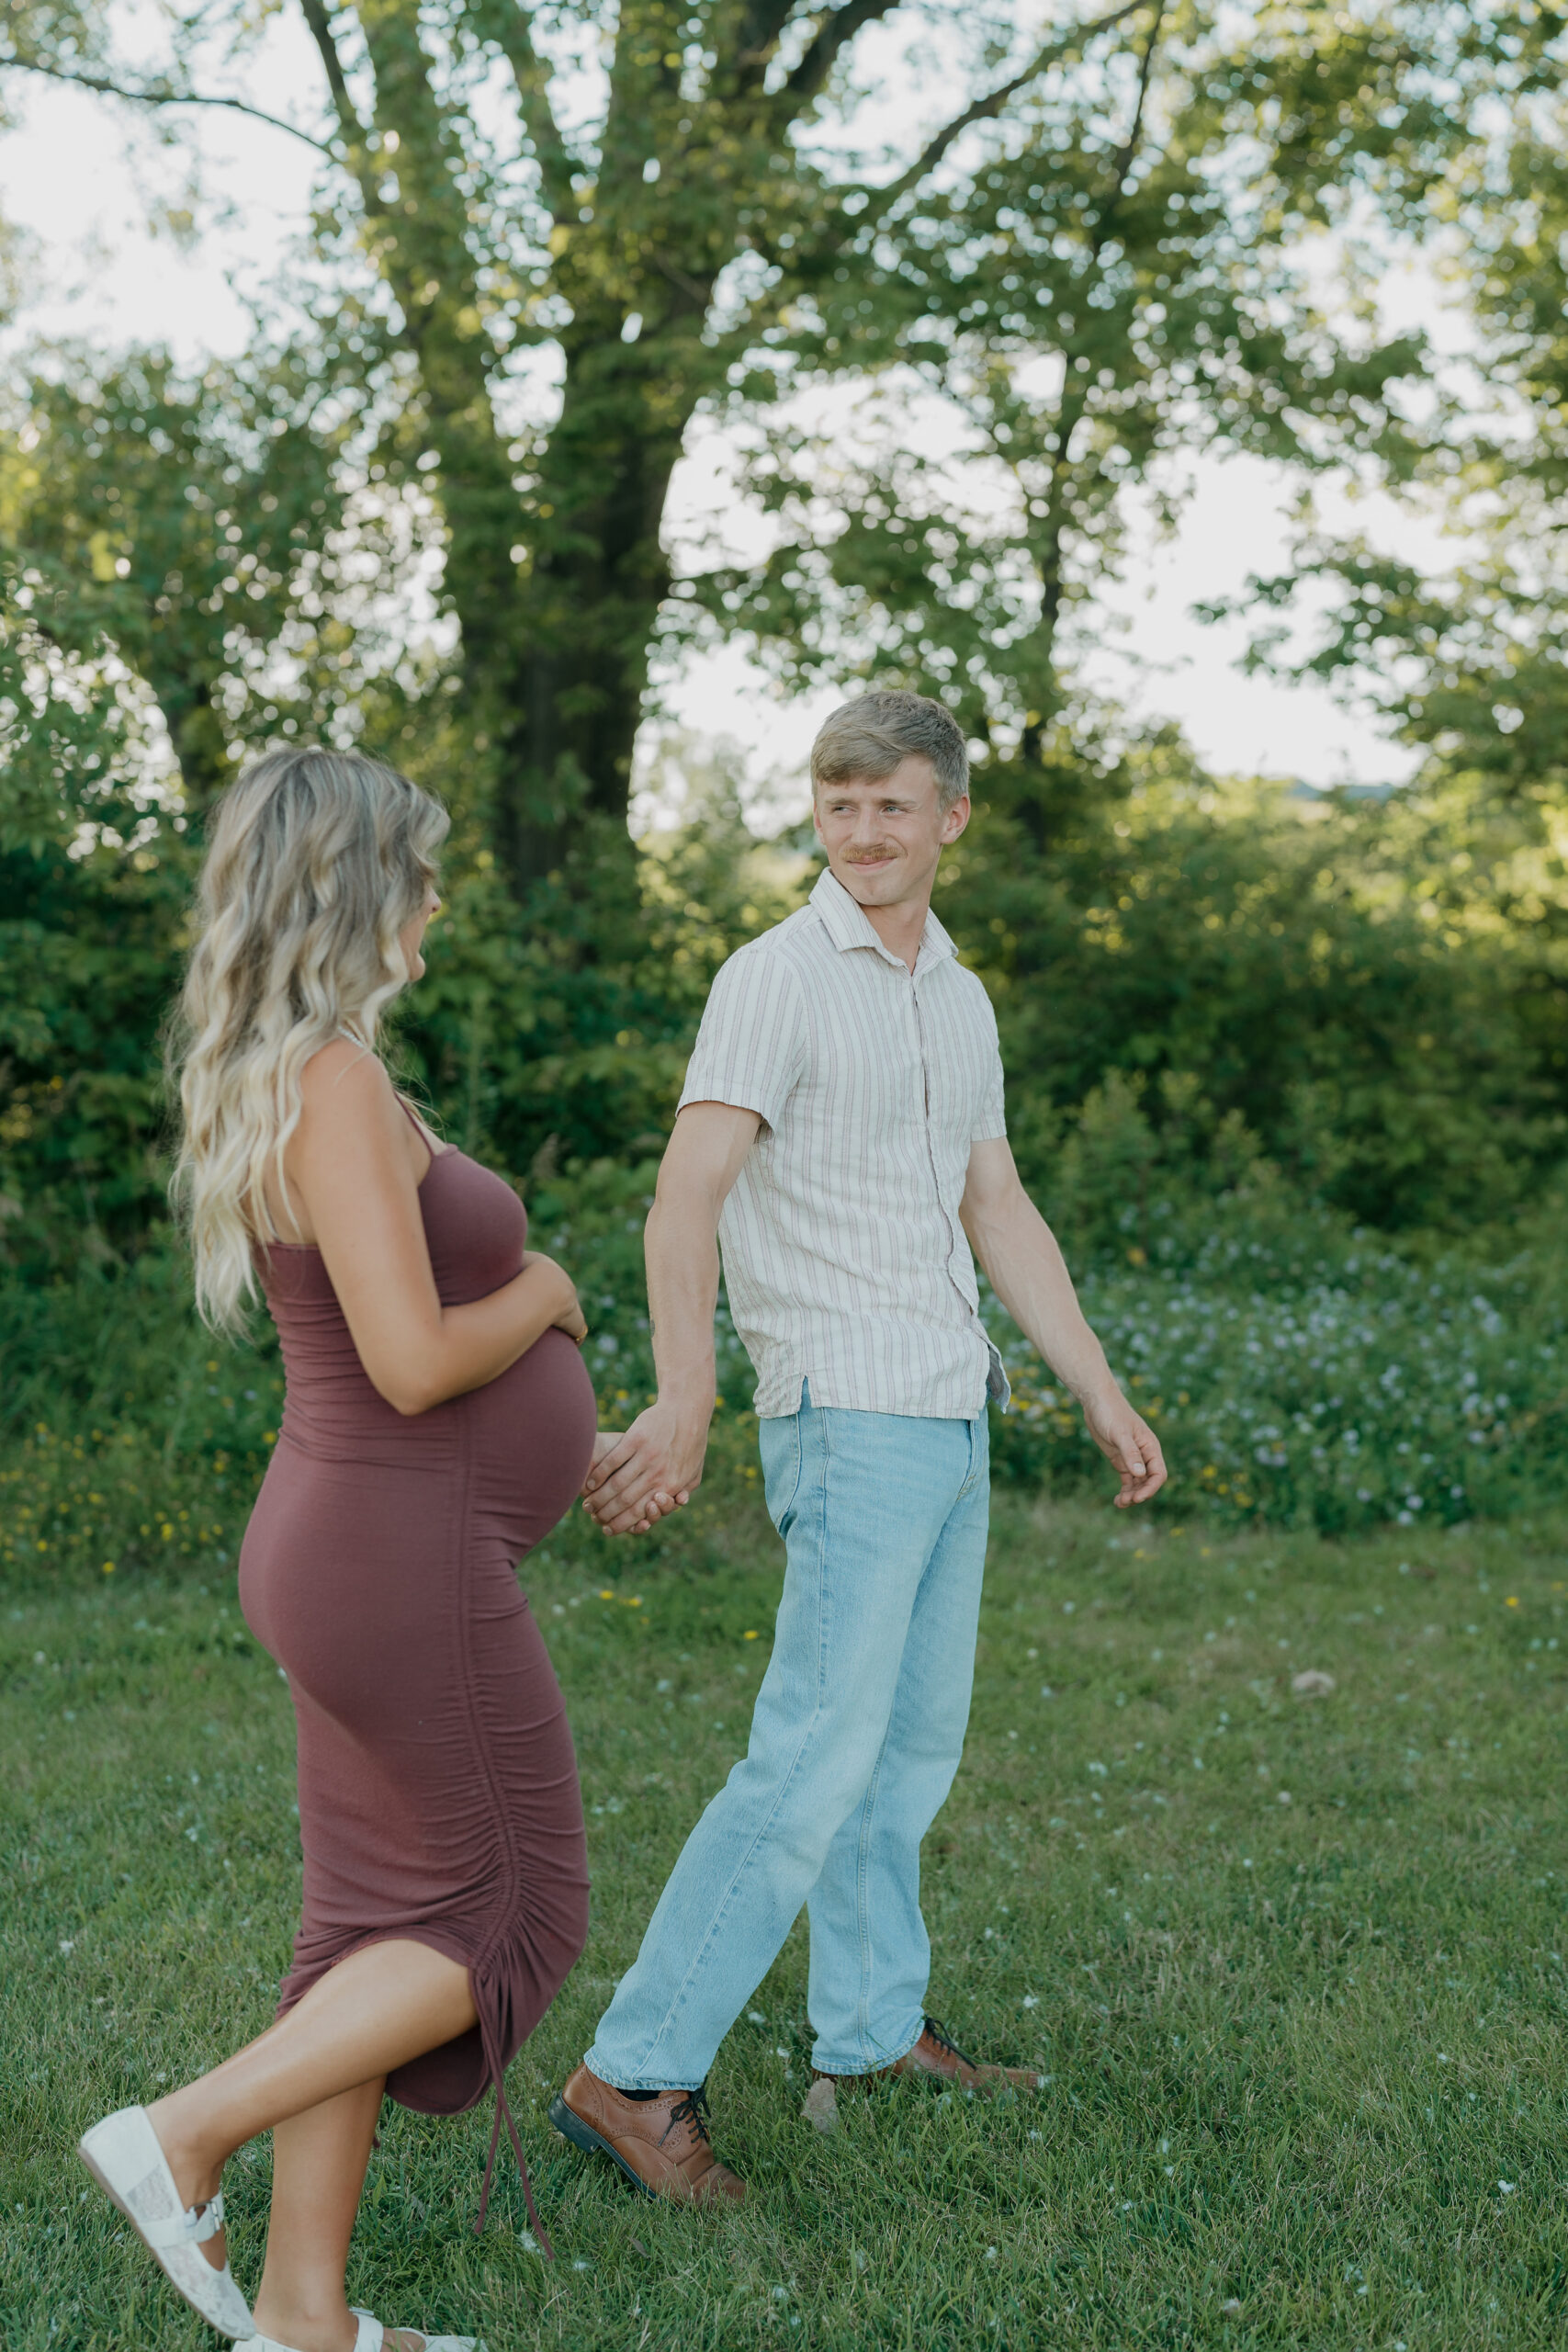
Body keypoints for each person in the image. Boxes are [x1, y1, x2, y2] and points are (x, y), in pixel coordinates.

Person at [550, 689, 1167, 2200]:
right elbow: (683, 1197)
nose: (863, 832)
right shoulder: (772, 980)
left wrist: (1091, 1379)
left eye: (891, 804)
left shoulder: (955, 994)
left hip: (953, 1406)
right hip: (845, 1413)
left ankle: (870, 2031)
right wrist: (685, 1393)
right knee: (808, 1762)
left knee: (903, 1759)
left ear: (951, 814)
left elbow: (995, 1202)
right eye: (838, 805)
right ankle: (635, 2074)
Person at [78, 747, 601, 2352]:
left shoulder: (295, 1071)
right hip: (399, 1565)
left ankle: (303, 2323)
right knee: (514, 1911)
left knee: (371, 1927)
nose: (439, 895)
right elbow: (417, 1359)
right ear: (355, 888)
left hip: (348, 1548)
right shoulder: (336, 1082)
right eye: (421, 871)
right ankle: (182, 2131)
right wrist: (555, 1292)